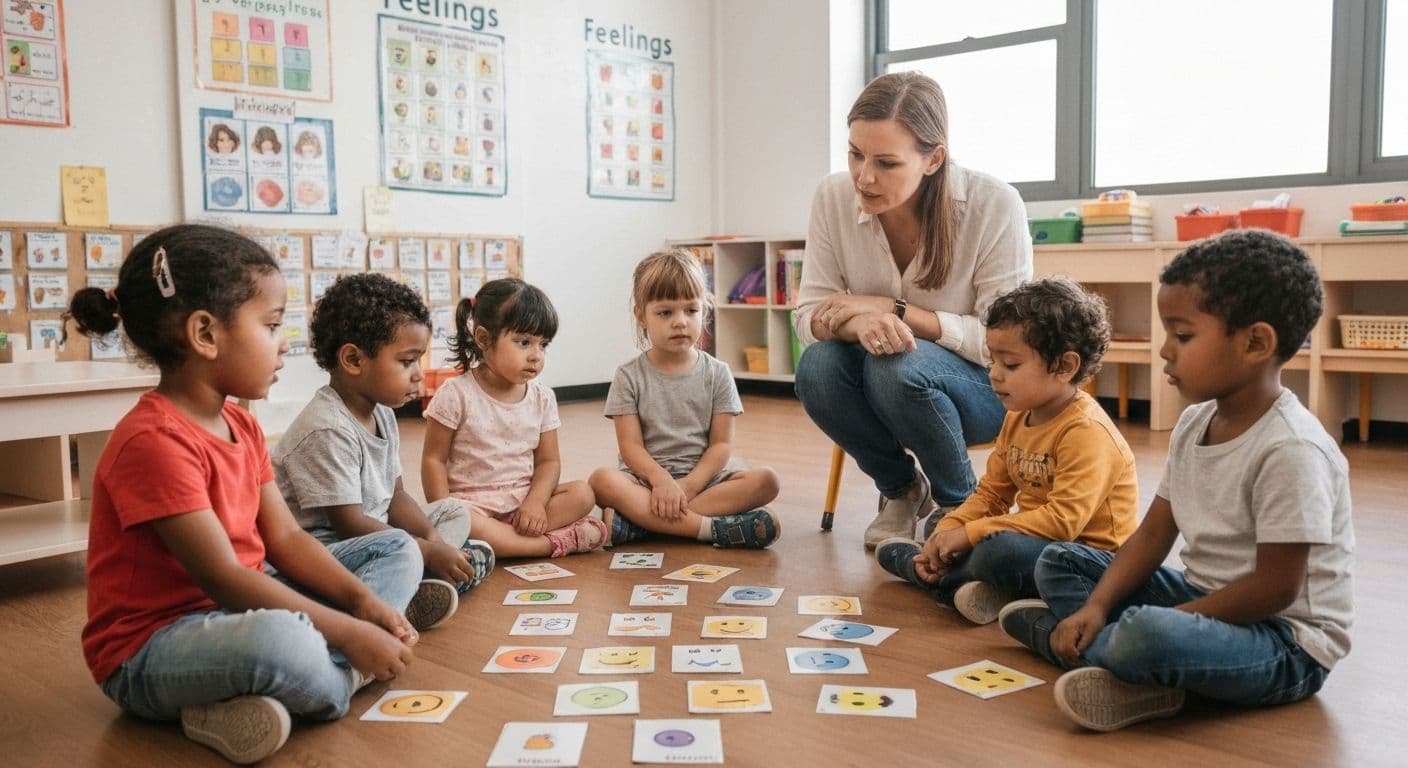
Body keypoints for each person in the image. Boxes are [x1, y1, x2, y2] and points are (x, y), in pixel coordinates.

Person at [66, 225, 421, 764]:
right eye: (272, 325)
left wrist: (360, 602)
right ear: (205, 334)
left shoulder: (242, 424)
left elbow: (283, 540)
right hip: (150, 649)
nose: (285, 343)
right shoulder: (152, 441)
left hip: (242, 604)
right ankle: (338, 675)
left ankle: (306, 679)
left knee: (396, 549)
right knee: (285, 642)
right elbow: (224, 579)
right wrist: (348, 630)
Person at [999, 230, 1354, 732]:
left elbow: (1275, 588)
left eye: (1183, 336)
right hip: (1201, 595)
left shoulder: (1291, 448)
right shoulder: (1194, 421)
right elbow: (1152, 533)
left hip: (1284, 643)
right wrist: (1099, 604)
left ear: (1256, 342)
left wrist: (1175, 621)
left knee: (1148, 633)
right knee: (1061, 561)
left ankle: (1075, 642)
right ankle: (1118, 658)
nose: (1165, 350)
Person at [792, 71, 1033, 550]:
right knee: (816, 367)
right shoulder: (833, 198)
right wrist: (861, 321)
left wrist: (896, 310)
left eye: (885, 162)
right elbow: (808, 317)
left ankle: (959, 507)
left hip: (984, 391)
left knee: (898, 365)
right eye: (855, 154)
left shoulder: (994, 206)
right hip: (887, 387)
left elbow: (1007, 342)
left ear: (933, 159)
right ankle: (901, 490)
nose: (863, 176)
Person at [874, 278, 1137, 624]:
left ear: (1065, 366)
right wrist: (949, 530)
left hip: (1088, 563)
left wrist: (969, 535)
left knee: (997, 548)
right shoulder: (1017, 417)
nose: (994, 375)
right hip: (1038, 544)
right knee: (947, 530)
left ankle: (930, 575)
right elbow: (991, 495)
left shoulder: (1086, 431)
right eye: (992, 361)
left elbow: (1061, 523)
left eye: (1010, 365)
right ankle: (966, 582)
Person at [273, 274, 495, 632]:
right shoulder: (327, 428)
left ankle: (421, 579)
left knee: (453, 511)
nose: (418, 377)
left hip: (379, 533)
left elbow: (396, 496)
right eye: (407, 362)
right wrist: (423, 551)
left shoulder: (382, 413)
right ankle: (396, 597)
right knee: (404, 550)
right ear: (353, 359)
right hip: (329, 550)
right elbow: (349, 526)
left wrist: (435, 543)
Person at [589, 249, 781, 549]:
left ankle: (643, 525)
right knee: (601, 481)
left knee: (767, 481)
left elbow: (721, 445)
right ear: (641, 316)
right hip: (646, 481)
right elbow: (631, 448)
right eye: (665, 313)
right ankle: (709, 528)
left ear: (704, 309)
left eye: (691, 311)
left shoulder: (718, 373)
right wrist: (662, 483)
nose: (680, 322)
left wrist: (687, 487)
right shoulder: (628, 376)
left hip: (706, 480)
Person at [421, 278, 605, 558]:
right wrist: (443, 514)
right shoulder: (455, 394)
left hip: (523, 505)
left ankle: (502, 545)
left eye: (543, 345)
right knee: (461, 519)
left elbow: (548, 462)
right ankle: (552, 544)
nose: (536, 356)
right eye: (523, 342)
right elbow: (433, 459)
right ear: (484, 339)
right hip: (473, 509)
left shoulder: (542, 397)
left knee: (583, 494)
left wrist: (536, 503)